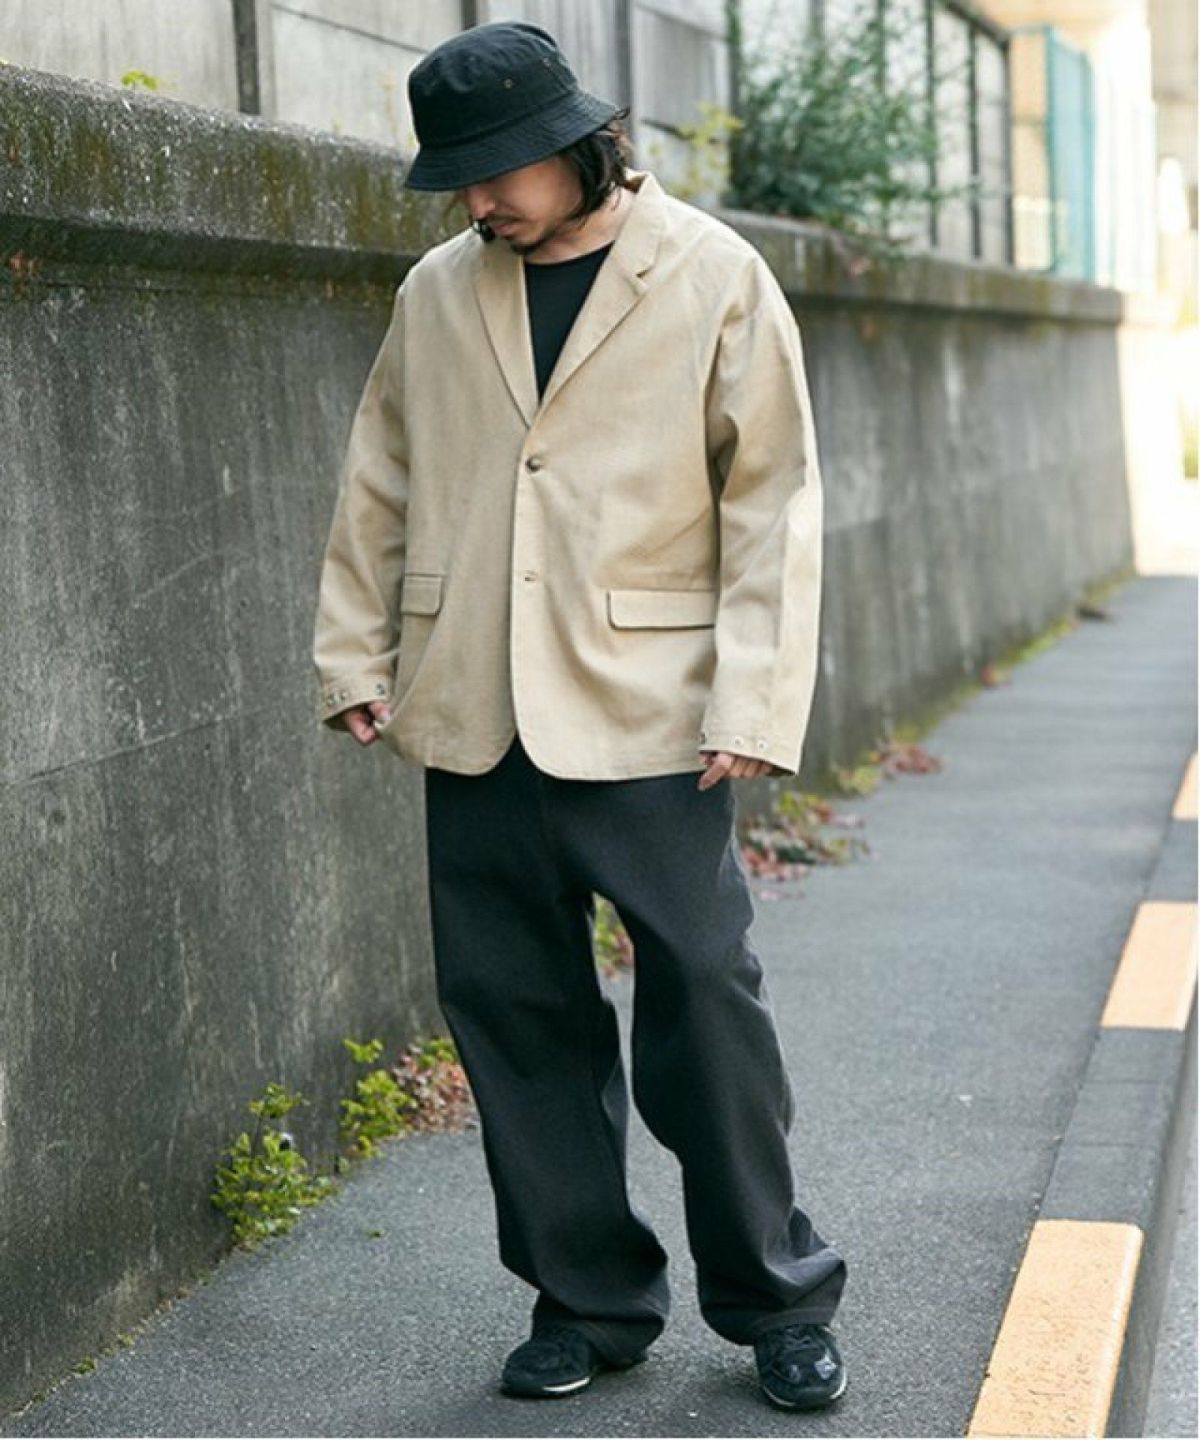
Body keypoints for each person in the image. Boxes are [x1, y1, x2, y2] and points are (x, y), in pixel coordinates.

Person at [311, 19, 848, 1414]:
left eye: (497, 171)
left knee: (707, 1005)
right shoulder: (439, 289)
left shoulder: (713, 273)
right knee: (515, 1015)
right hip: (473, 703)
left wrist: (754, 695)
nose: (478, 201)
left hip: (653, 714)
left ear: (577, 147)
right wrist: (354, 651)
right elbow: (381, 473)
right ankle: (587, 1301)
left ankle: (776, 1299)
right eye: (460, 179)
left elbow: (773, 502)